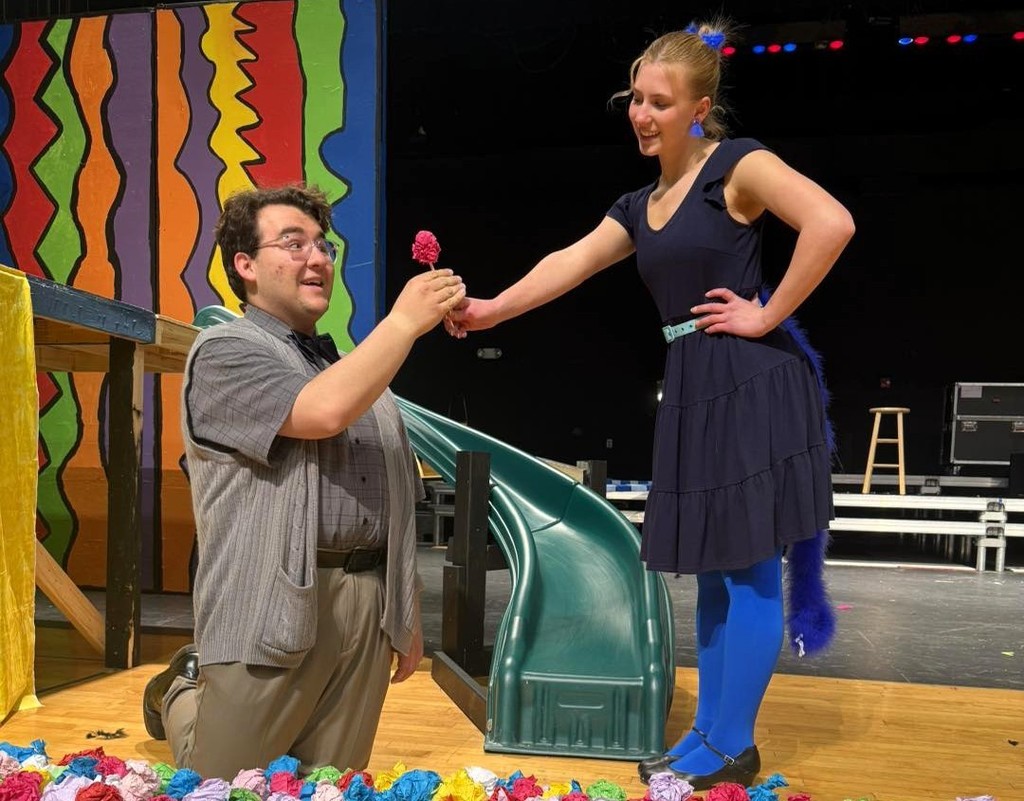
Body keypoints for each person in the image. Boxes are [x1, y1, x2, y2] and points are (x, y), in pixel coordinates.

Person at [447, 19, 854, 791]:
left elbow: (832, 222)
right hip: (695, 383)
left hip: (749, 380)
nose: (641, 114)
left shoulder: (736, 166)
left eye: (659, 102)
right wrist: (492, 309)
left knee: (749, 570)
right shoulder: (642, 202)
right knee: (712, 571)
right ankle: (708, 734)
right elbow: (570, 261)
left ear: (699, 109)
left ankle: (734, 743)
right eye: (635, 98)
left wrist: (766, 314)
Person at [142, 183, 465, 779]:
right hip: (270, 600)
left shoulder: (350, 371)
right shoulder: (224, 350)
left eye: (323, 245)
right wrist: (403, 323)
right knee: (223, 783)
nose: (317, 257)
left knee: (330, 785)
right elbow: (319, 412)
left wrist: (406, 613)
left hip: (367, 605)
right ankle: (180, 690)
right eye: (293, 244)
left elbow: (398, 497)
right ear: (245, 265)